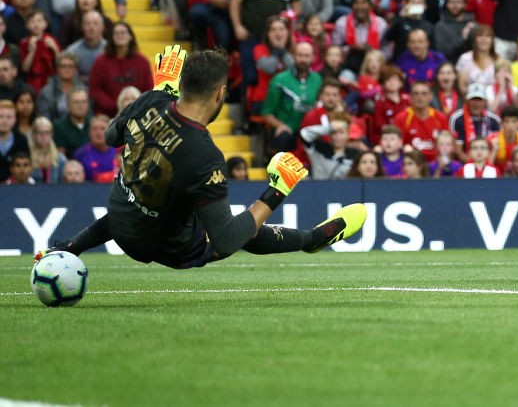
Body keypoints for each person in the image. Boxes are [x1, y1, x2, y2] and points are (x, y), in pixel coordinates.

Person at [41, 46, 366, 268]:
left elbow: (112, 136)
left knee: (153, 195)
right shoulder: (205, 155)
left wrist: (157, 92)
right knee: (236, 225)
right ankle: (310, 239)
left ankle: (72, 245)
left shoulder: (151, 99)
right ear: (220, 93)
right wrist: (276, 191)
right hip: (168, 247)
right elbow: (226, 241)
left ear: (181, 84)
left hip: (122, 217)